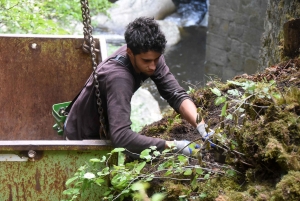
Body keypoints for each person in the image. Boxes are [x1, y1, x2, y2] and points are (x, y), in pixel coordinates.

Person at [63, 17, 210, 158]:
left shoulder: (149, 55)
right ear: (130, 53)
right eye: (146, 61)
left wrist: (202, 127)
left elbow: (176, 94)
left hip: (105, 126)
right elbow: (121, 136)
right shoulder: (119, 79)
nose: (153, 66)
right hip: (81, 137)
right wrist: (173, 146)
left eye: (156, 59)